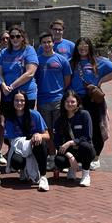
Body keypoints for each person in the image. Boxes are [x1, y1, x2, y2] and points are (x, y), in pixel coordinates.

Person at [69, 37, 112, 170]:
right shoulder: (72, 62)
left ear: (90, 47)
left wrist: (101, 80)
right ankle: (81, 156)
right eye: (80, 45)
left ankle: (96, 157)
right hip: (76, 99)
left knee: (97, 127)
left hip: (92, 99)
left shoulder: (98, 61)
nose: (83, 48)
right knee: (79, 128)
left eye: (85, 45)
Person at [4, 90, 50, 191]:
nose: (19, 103)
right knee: (16, 161)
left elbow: (47, 135)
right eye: (16, 100)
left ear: (26, 102)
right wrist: (28, 142)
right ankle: (23, 169)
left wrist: (39, 135)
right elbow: (11, 141)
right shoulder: (10, 118)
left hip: (35, 146)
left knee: (41, 143)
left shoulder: (35, 114)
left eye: (22, 100)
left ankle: (43, 176)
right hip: (20, 147)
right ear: (12, 102)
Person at [36, 32, 71, 164]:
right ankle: (51, 155)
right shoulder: (37, 61)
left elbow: (67, 79)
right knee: (48, 130)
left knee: (60, 129)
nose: (47, 45)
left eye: (49, 42)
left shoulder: (62, 60)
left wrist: (60, 92)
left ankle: (62, 156)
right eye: (44, 42)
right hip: (42, 100)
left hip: (58, 99)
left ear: (53, 43)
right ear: (41, 44)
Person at [53, 89, 95, 186]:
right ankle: (72, 168)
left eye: (73, 102)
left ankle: (85, 175)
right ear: (63, 103)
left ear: (78, 103)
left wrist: (71, 142)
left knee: (86, 146)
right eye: (67, 102)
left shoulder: (84, 115)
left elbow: (87, 137)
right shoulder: (60, 119)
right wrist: (69, 156)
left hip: (83, 149)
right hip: (70, 151)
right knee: (59, 160)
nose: (70, 104)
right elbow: (57, 142)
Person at [0, 25, 39, 119]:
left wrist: (12, 87)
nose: (15, 39)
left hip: (26, 95)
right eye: (12, 37)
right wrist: (4, 86)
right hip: (8, 96)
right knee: (10, 123)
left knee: (27, 122)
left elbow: (30, 73)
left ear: (23, 37)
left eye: (18, 36)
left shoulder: (29, 50)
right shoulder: (4, 52)